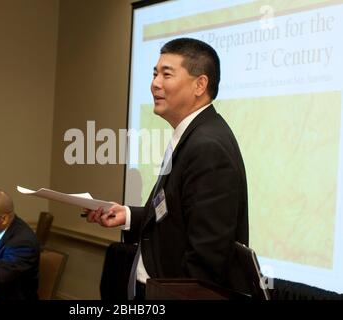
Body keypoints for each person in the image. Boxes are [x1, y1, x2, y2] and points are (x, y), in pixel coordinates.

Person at [84, 38, 249, 299]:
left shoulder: (207, 146)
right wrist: (127, 215)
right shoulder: (191, 136)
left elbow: (207, 257)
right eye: (154, 73)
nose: (155, 83)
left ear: (200, 84)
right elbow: (174, 215)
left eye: (166, 74)